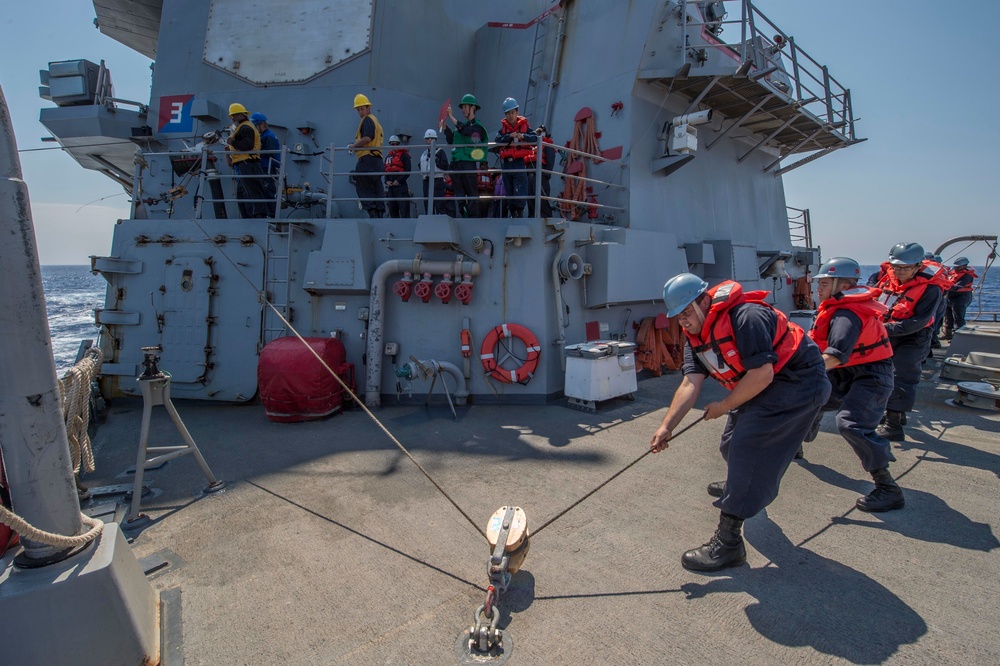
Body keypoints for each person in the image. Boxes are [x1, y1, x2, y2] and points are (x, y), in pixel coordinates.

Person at [650, 274, 831, 572]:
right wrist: (666, 426)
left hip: (797, 382)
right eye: (677, 316)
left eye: (685, 313)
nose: (683, 322)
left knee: (749, 448)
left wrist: (723, 406)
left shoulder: (747, 317)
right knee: (730, 445)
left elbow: (762, 374)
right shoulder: (695, 338)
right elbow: (689, 384)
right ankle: (741, 483)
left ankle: (729, 544)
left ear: (705, 302)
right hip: (760, 384)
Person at [808, 257, 904, 512]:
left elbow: (836, 355)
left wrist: (803, 369)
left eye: (825, 283)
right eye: (819, 283)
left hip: (871, 376)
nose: (818, 288)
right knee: (808, 401)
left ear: (843, 284)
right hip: (847, 373)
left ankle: (888, 488)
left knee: (852, 424)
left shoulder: (846, 314)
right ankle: (800, 439)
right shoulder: (839, 307)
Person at [872, 242, 948, 441]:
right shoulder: (886, 280)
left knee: (902, 375)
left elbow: (919, 321)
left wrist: (884, 329)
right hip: (886, 334)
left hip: (913, 337)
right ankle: (888, 412)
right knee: (882, 373)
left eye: (905, 268)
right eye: (896, 267)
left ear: (917, 266)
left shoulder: (931, 290)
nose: (900, 271)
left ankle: (894, 425)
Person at [440, 93, 489, 217]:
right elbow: (452, 140)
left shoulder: (477, 126)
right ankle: (464, 216)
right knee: (460, 195)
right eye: (462, 108)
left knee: (472, 193)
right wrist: (446, 129)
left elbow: (468, 132)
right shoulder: (460, 128)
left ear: (473, 108)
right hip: (456, 164)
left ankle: (473, 219)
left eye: (465, 107)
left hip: (468, 163)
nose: (463, 110)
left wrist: (451, 116)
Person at [224, 103, 269, 219]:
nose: (233, 119)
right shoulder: (243, 127)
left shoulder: (245, 127)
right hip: (244, 163)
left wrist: (231, 142)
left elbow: (247, 145)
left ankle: (258, 215)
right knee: (246, 191)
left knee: (253, 190)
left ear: (240, 115)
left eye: (234, 116)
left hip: (248, 163)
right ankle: (251, 214)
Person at [494, 98, 535, 218]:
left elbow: (535, 138)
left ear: (517, 112)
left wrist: (522, 136)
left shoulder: (525, 126)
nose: (510, 116)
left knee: (521, 187)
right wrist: (508, 136)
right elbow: (497, 141)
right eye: (508, 113)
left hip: (518, 162)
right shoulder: (503, 130)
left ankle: (520, 212)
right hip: (506, 164)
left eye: (512, 112)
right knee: (509, 188)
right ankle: (512, 212)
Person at [348, 93, 386, 218]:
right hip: (377, 160)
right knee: (376, 186)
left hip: (367, 159)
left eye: (362, 109)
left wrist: (354, 146)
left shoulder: (367, 119)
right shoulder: (376, 121)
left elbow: (368, 137)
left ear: (368, 108)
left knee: (363, 186)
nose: (360, 112)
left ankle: (373, 213)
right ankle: (379, 213)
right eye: (358, 109)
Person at [250, 112, 280, 216]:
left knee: (268, 191)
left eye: (254, 126)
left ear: (260, 124)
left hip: (267, 167)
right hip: (263, 167)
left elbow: (271, 152)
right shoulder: (264, 136)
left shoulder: (268, 136)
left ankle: (271, 214)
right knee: (263, 190)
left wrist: (257, 147)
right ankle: (267, 213)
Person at [525, 124, 556, 217]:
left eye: (541, 132)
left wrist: (545, 175)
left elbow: (550, 162)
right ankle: (531, 217)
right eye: (538, 132)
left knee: (542, 200)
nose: (539, 134)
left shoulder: (547, 145)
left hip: (541, 176)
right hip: (530, 175)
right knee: (530, 199)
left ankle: (546, 217)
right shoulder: (532, 147)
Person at [943, 257, 978, 338]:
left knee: (958, 316)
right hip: (950, 296)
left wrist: (943, 285)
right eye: (955, 266)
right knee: (948, 316)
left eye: (958, 267)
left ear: (964, 266)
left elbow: (957, 287)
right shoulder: (952, 272)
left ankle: (958, 336)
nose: (956, 268)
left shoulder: (967, 276)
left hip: (961, 297)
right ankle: (948, 334)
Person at [419, 129, 450, 215]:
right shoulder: (424, 153)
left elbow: (445, 165)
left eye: (427, 138)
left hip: (437, 180)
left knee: (439, 202)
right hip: (426, 180)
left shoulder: (440, 152)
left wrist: (436, 159)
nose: (425, 140)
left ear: (433, 139)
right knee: (427, 201)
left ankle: (440, 217)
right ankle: (429, 216)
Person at [384, 135, 412, 218]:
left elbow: (407, 171)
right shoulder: (388, 158)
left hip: (401, 187)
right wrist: (386, 181)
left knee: (404, 210)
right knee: (393, 210)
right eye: (393, 144)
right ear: (390, 145)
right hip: (391, 188)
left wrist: (399, 181)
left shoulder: (404, 156)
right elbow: (385, 171)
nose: (395, 146)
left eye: (396, 144)